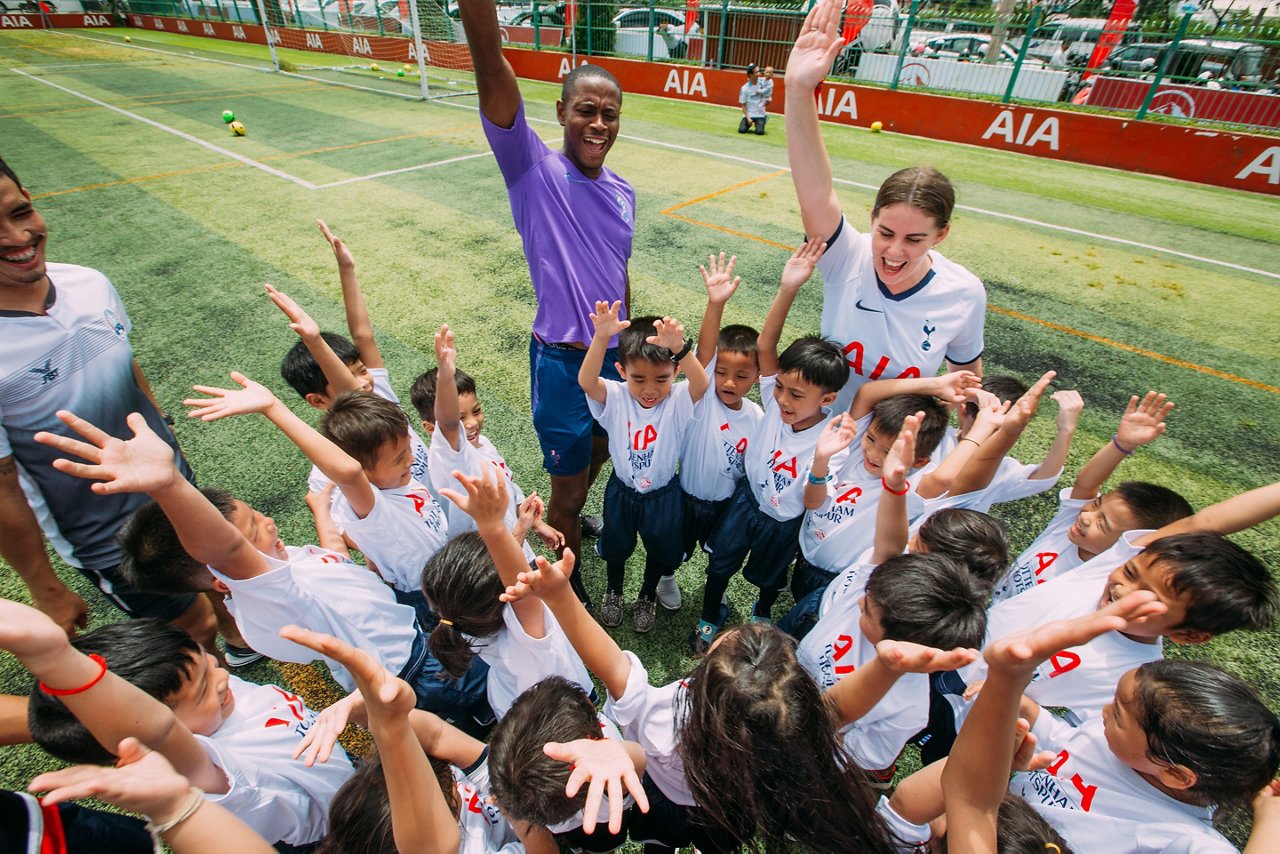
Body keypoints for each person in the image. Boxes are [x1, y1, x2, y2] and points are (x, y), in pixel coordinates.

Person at [38, 405, 493, 732]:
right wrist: (171, 486)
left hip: (415, 631)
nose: (269, 523)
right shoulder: (269, 602)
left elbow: (332, 559)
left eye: (256, 514)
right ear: (224, 575)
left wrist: (319, 511)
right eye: (253, 531)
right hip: (415, 670)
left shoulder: (285, 560)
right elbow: (229, 550)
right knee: (482, 700)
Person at [498, 546, 974, 853]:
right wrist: (886, 666)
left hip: (665, 803)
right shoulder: (785, 733)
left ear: (701, 682)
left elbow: (620, 698)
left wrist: (562, 598)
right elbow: (839, 710)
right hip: (727, 814)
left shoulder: (667, 721)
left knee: (662, 832)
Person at [0, 157, 241, 659]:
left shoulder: (89, 283)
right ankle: (222, 687)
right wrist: (43, 585)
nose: (17, 236)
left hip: (169, 478)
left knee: (221, 573)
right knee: (191, 628)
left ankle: (238, 640)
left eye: (20, 211)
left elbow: (127, 364)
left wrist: (164, 434)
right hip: (105, 531)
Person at [459, 0, 636, 606]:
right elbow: (492, 70)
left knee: (604, 451)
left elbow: (619, 266)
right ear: (561, 112)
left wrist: (630, 335)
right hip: (562, 364)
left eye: (610, 114)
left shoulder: (623, 191)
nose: (598, 123)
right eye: (585, 109)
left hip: (616, 360)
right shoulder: (531, 167)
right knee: (565, 495)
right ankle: (571, 586)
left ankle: (576, 512)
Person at [7, 601, 352, 847]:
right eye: (203, 689)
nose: (221, 679)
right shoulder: (209, 769)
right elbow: (158, 732)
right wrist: (55, 659)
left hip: (349, 784)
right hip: (339, 836)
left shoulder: (215, 696)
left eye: (208, 664)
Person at [785, 0, 987, 415]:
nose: (894, 252)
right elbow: (816, 191)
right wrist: (799, 90)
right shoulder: (847, 257)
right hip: (820, 435)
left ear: (942, 234)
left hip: (889, 450)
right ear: (871, 220)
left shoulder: (964, 293)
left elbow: (966, 381)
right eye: (886, 233)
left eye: (915, 239)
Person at [691, 239, 847, 652]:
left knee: (771, 576)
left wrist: (820, 462)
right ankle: (710, 616)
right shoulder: (775, 404)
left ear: (826, 401)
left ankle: (761, 617)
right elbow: (765, 348)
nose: (781, 400)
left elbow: (816, 498)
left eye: (796, 396)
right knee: (720, 561)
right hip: (747, 502)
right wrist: (788, 288)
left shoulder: (833, 439)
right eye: (778, 387)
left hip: (785, 521)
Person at [579, 304, 708, 631]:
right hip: (623, 491)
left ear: (674, 373)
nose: (650, 390)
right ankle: (614, 590)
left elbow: (702, 384)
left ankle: (648, 594)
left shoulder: (677, 399)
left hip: (662, 495)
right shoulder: (616, 396)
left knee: (660, 548)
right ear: (621, 370)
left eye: (661, 379)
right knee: (616, 547)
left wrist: (680, 349)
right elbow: (586, 380)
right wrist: (599, 339)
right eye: (639, 379)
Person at [990, 391, 1187, 602]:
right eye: (1096, 505)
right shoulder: (1069, 527)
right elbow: (1086, 484)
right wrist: (1122, 444)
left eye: (1103, 524)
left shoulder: (1104, 578)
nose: (1086, 517)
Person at [412, 324, 562, 558]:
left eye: (476, 410)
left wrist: (534, 523)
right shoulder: (450, 458)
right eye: (460, 418)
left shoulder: (484, 444)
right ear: (432, 429)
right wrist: (445, 376)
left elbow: (508, 488)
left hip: (517, 545)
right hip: (489, 564)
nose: (472, 423)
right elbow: (449, 424)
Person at [678, 252, 762, 599]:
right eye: (722, 373)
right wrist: (715, 305)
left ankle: (716, 591)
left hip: (725, 504)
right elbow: (706, 353)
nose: (728, 382)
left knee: (720, 555)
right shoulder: (704, 398)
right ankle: (667, 577)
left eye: (741, 376)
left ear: (757, 378)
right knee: (673, 549)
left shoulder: (757, 417)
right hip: (685, 495)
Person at [738, 63, 768, 135]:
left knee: (760, 132)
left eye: (759, 71)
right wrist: (748, 118)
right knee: (741, 130)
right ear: (750, 75)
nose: (759, 73)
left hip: (760, 114)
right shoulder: (744, 88)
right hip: (749, 114)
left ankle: (762, 121)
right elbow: (743, 105)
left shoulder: (763, 85)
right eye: (757, 72)